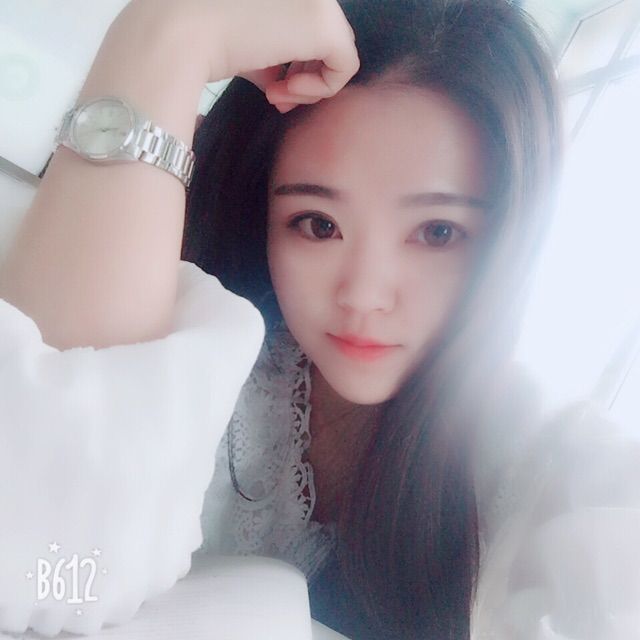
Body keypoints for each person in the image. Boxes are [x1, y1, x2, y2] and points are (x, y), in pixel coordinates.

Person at [1, 0, 640, 638]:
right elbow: (39, 568)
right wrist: (164, 33)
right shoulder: (209, 347)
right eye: (318, 224)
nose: (364, 296)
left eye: (438, 232)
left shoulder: (544, 469)